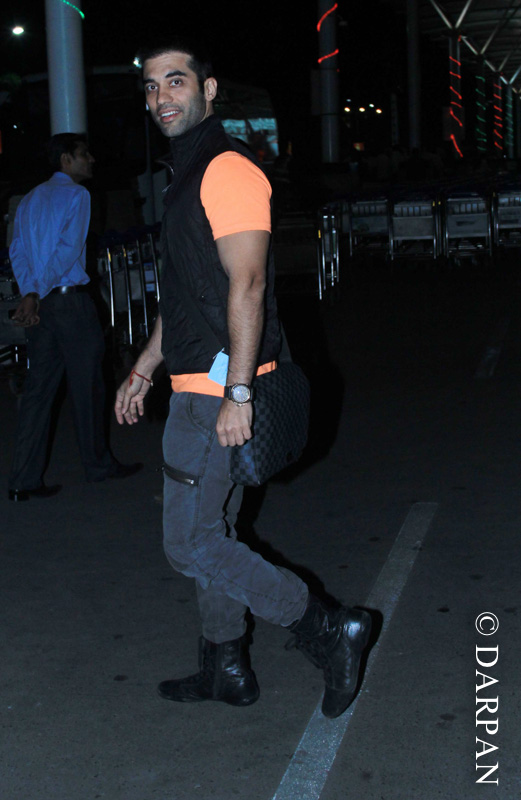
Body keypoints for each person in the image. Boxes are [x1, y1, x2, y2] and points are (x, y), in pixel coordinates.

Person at [115, 37, 373, 719]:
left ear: (208, 90)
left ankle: (327, 628)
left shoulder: (226, 169)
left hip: (215, 391)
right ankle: (225, 666)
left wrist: (237, 392)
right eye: (150, 86)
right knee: (217, 533)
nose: (160, 97)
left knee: (190, 543)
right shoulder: (187, 174)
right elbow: (188, 292)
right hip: (199, 380)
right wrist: (144, 366)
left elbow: (248, 284)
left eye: (175, 81)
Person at [8, 133, 142, 502]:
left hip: (42, 306)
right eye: (85, 154)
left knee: (38, 392)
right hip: (69, 303)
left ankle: (22, 480)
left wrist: (31, 293)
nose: (91, 159)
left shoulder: (29, 199)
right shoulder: (78, 195)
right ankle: (97, 466)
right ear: (66, 159)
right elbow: (68, 250)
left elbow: (17, 250)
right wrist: (37, 292)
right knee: (89, 388)